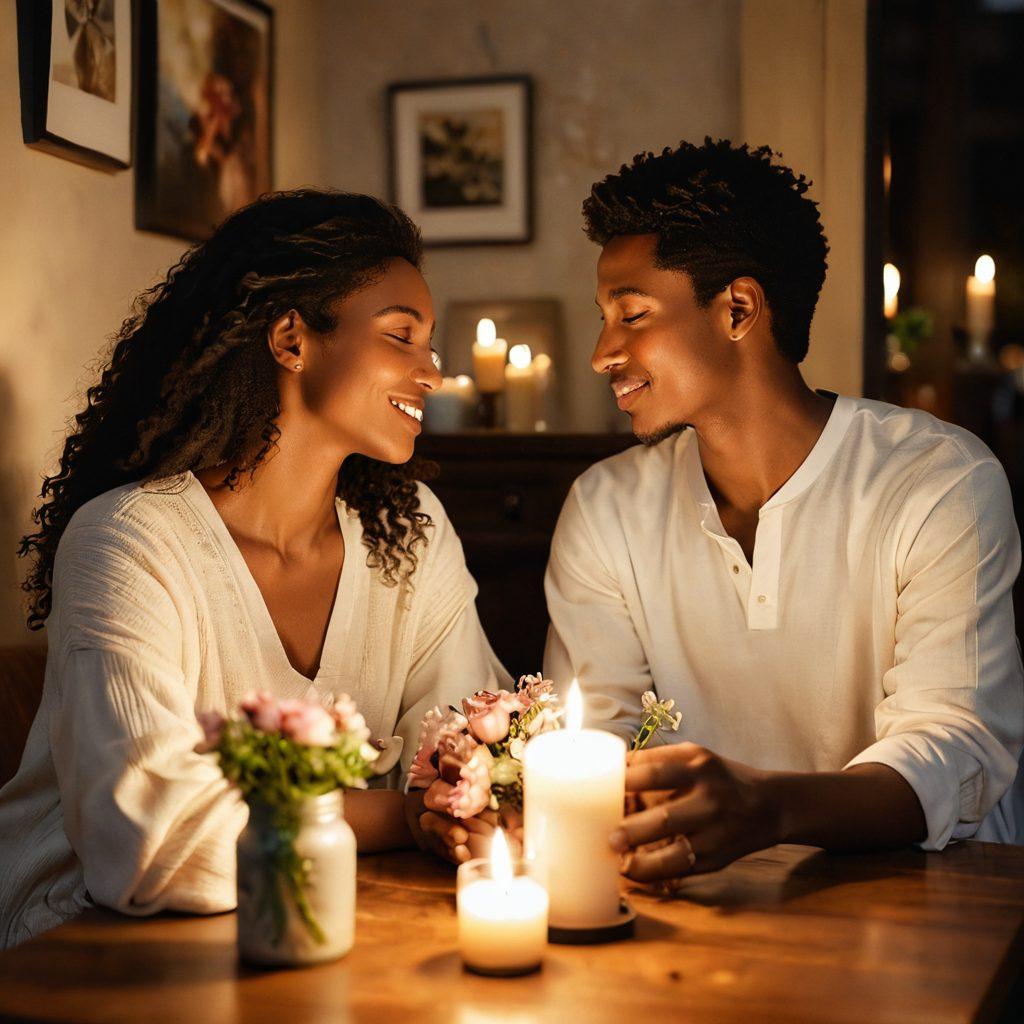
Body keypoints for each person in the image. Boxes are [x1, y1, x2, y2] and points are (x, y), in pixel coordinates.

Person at [0, 190, 507, 948]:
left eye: (429, 343)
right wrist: (403, 815)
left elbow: (466, 757)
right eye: (402, 336)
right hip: (84, 944)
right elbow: (148, 842)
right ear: (291, 339)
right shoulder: (127, 542)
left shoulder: (410, 535)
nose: (431, 372)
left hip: (319, 923)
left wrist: (447, 799)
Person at [544, 139, 1023, 887]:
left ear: (738, 309)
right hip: (698, 906)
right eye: (606, 317)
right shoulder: (606, 508)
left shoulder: (939, 482)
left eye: (631, 315)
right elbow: (598, 743)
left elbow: (954, 750)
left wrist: (769, 808)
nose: (603, 352)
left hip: (935, 902)